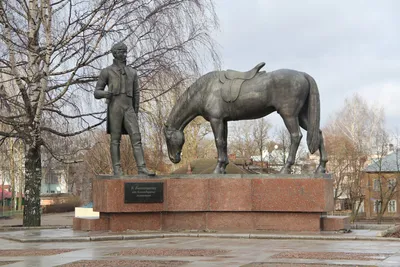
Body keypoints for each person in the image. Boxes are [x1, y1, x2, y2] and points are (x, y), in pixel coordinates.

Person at [94, 42, 155, 176]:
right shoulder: (107, 71)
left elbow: (137, 93)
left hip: (129, 108)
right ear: (115, 53)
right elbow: (96, 92)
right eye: (121, 51)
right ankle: (117, 169)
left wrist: (135, 111)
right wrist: (105, 93)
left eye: (125, 51)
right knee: (115, 139)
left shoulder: (132, 72)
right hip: (115, 107)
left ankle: (142, 167)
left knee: (136, 137)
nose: (124, 54)